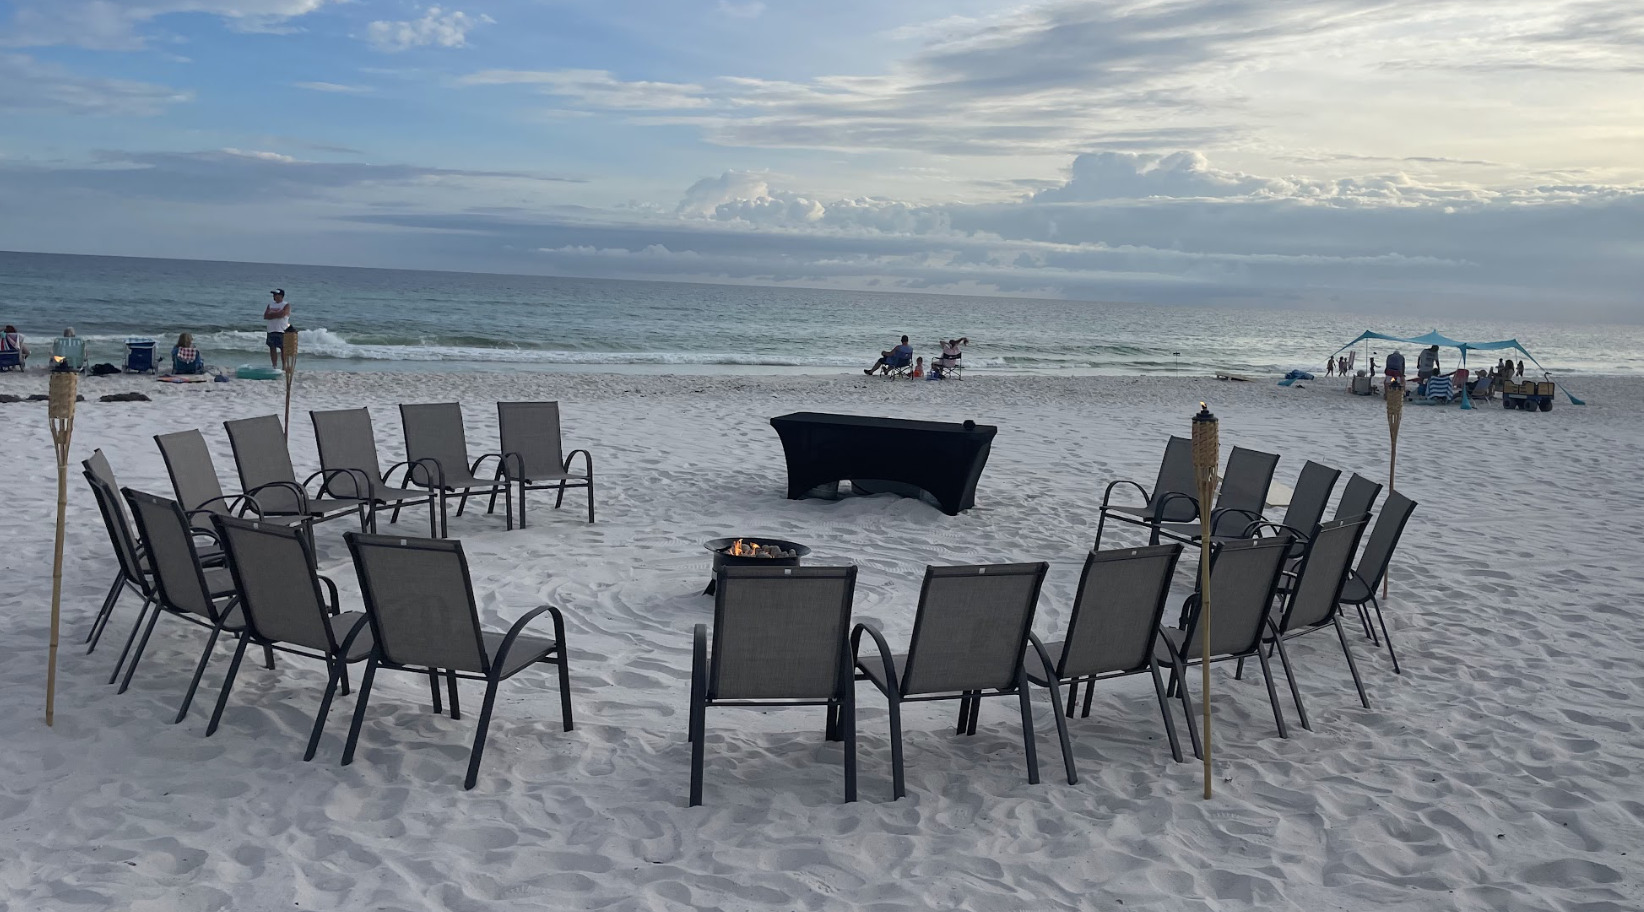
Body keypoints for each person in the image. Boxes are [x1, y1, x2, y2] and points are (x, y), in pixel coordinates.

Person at [263, 288, 290, 368]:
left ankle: (284, 366)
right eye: (273, 295)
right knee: (272, 348)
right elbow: (266, 316)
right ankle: (274, 365)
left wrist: (272, 314)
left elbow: (282, 314)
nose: (274, 296)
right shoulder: (270, 304)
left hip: (281, 330)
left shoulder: (286, 304)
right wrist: (276, 314)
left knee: (283, 349)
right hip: (271, 329)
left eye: (276, 295)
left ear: (281, 296)